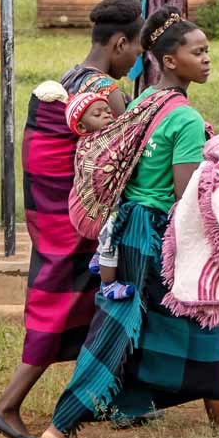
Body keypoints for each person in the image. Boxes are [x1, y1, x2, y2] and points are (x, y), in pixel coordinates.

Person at [31, 6, 219, 438]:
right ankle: (62, 428)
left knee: (141, 327)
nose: (206, 59)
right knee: (177, 325)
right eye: (196, 52)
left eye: (207, 51)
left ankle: (204, 429)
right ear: (168, 60)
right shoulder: (182, 118)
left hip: (128, 230)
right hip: (161, 234)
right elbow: (186, 194)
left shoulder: (142, 102)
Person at [0, 0, 144, 438]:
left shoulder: (71, 76)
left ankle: (116, 397)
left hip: (50, 213)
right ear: (119, 43)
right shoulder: (108, 91)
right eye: (135, 52)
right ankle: (8, 405)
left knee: (96, 306)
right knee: (76, 305)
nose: (136, 62)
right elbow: (126, 155)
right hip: (74, 221)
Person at [65, 92, 135, 301]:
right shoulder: (92, 144)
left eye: (107, 111)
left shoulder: (103, 135)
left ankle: (97, 256)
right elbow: (100, 169)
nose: (106, 115)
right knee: (111, 236)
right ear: (82, 128)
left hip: (86, 204)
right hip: (89, 211)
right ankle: (108, 284)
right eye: (97, 114)